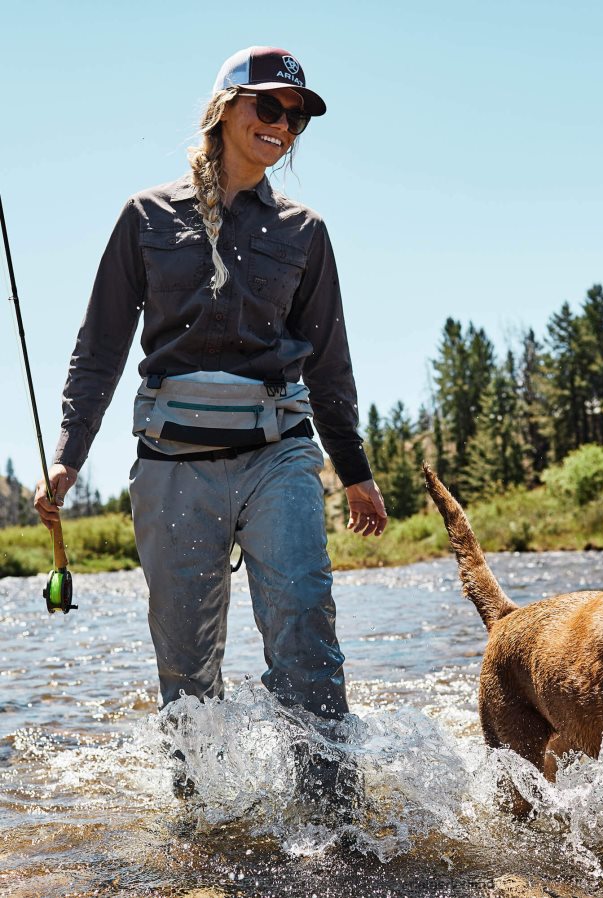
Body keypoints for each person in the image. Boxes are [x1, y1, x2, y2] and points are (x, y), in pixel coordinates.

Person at [35, 47, 387, 738]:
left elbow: (329, 364)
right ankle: (199, 835)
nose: (282, 126)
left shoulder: (305, 233)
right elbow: (101, 346)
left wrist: (355, 473)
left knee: (306, 643)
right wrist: (68, 457)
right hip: (171, 467)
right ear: (225, 109)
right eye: (269, 107)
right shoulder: (145, 217)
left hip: (278, 458)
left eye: (296, 118)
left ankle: (335, 834)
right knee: (188, 675)